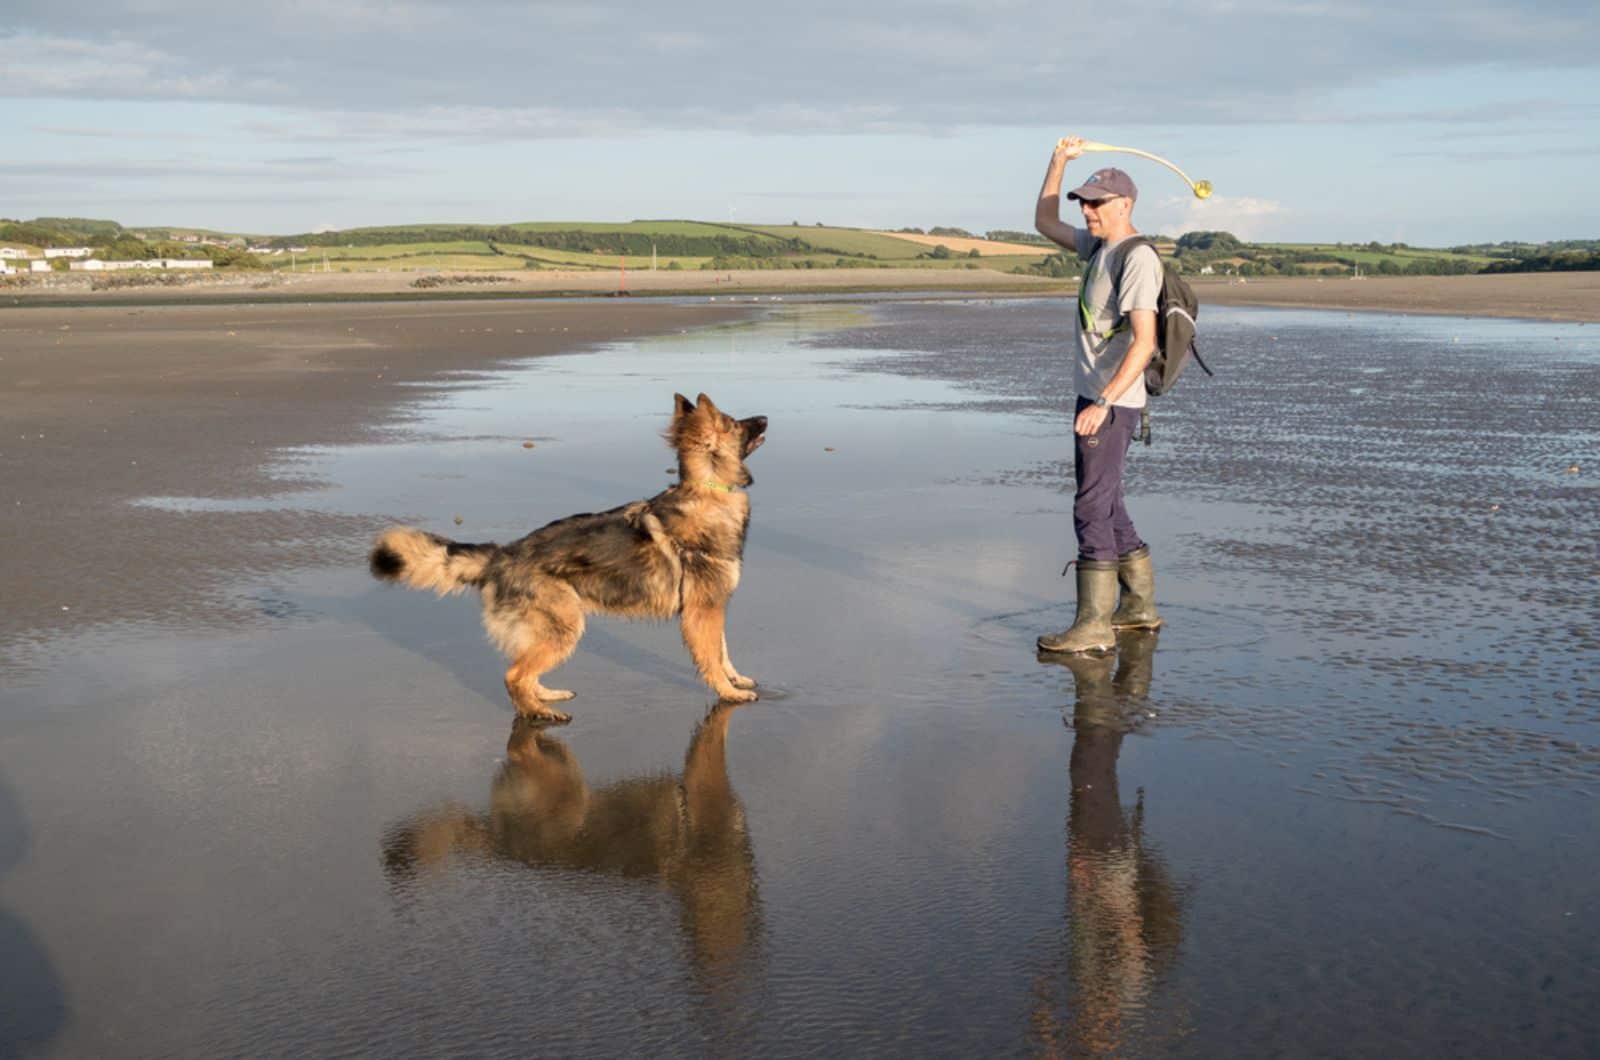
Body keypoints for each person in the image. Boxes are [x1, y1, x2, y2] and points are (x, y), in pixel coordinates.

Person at [1033, 136, 1164, 654]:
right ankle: (1138, 609)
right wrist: (1058, 162)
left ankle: (1092, 627)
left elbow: (1146, 340)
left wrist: (1104, 402)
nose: (1086, 210)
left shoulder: (1136, 258)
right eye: (1083, 202)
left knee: (1090, 506)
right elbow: (1044, 223)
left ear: (1125, 205)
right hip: (1097, 397)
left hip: (1110, 403)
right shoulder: (1099, 248)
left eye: (1096, 202)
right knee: (1108, 502)